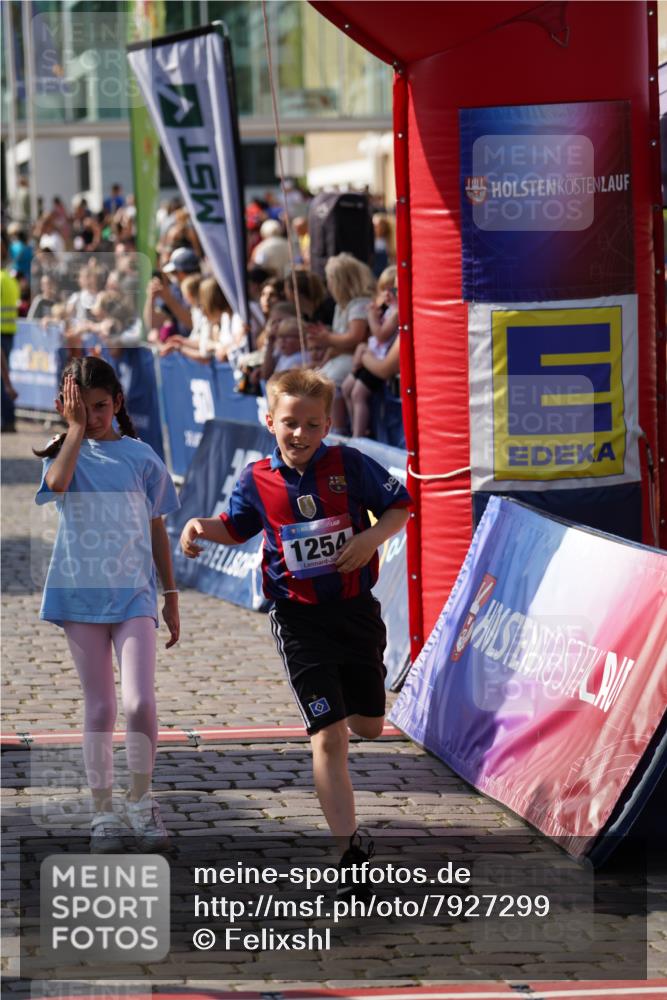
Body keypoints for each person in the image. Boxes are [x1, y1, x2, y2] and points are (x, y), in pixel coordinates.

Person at [179, 368, 411, 888]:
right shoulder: (256, 479)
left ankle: (356, 711)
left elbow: (400, 507)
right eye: (290, 423)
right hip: (299, 620)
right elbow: (236, 528)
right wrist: (199, 526)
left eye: (311, 424)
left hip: (355, 614)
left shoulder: (348, 464)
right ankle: (349, 855)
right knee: (328, 737)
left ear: (327, 423)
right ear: (269, 421)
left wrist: (370, 539)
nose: (300, 434)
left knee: (368, 726)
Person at [34, 356, 180, 852]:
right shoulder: (62, 454)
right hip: (79, 596)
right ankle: (102, 811)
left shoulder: (141, 457)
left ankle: (141, 799)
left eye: (100, 407)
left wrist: (172, 594)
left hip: (135, 595)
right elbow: (56, 486)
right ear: (64, 408)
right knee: (101, 706)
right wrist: (74, 431)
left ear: (117, 402)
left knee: (140, 701)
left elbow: (158, 525)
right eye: (82, 408)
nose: (94, 417)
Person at [306, 253, 375, 433]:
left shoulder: (359, 304)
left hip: (355, 357)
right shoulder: (341, 306)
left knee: (330, 381)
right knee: (317, 378)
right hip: (342, 356)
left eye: (330, 280)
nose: (328, 286)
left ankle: (340, 428)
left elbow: (355, 337)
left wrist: (327, 338)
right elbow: (338, 340)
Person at [341, 266, 399, 437]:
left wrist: (372, 318)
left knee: (358, 394)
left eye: (393, 290)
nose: (388, 295)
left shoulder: (396, 313)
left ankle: (359, 434)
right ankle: (354, 426)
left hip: (379, 358)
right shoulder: (388, 309)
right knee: (346, 388)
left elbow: (380, 336)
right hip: (371, 355)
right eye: (384, 290)